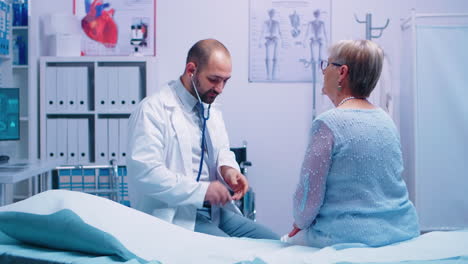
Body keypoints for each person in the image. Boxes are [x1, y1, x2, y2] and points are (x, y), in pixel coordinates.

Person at [127, 39, 279, 239]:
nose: (220, 88)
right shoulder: (152, 110)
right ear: (191, 70)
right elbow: (146, 173)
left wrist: (229, 170)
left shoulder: (209, 106)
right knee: (230, 254)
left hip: (215, 211)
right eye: (214, 79)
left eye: (226, 81)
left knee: (273, 243)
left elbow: (222, 150)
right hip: (175, 214)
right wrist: (203, 190)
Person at [283, 40, 419, 247]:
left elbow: (306, 204)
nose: (323, 71)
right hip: (402, 232)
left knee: (285, 243)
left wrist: (300, 222)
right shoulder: (386, 121)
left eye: (326, 64)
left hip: (346, 237)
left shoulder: (327, 124)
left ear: (342, 72)